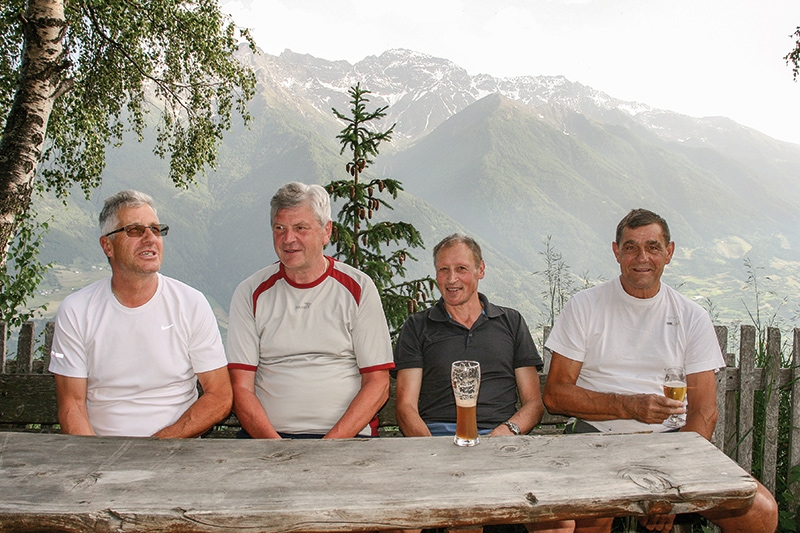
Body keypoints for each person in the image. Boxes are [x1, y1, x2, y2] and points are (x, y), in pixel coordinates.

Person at [543, 208, 779, 533]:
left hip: (672, 445)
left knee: (761, 513)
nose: (642, 257)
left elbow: (705, 410)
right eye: (631, 247)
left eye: (652, 247)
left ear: (669, 252)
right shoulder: (584, 306)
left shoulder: (691, 316)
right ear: (616, 252)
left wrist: (671, 485)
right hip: (596, 438)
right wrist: (629, 406)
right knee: (592, 515)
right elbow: (555, 396)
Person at [394, 233, 574, 533]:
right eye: (443, 270)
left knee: (559, 524)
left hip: (499, 444)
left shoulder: (510, 322)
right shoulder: (418, 326)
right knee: (400, 522)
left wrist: (506, 433)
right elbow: (405, 407)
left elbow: (533, 403)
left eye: (461, 269)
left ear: (481, 270)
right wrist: (433, 452)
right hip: (438, 441)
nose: (451, 279)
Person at [49, 190, 232, 438]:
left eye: (156, 229)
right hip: (101, 452)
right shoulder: (76, 310)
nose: (150, 238)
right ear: (107, 246)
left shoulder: (191, 304)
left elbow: (220, 396)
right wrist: (97, 457)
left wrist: (155, 446)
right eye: (135, 230)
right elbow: (72, 406)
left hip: (176, 449)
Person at [226, 181, 393, 439]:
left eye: (300, 228)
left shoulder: (358, 288)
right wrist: (277, 448)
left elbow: (378, 384)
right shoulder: (251, 292)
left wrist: (327, 447)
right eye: (279, 228)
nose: (288, 239)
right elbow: (241, 387)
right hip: (268, 440)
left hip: (346, 441)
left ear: (327, 231)